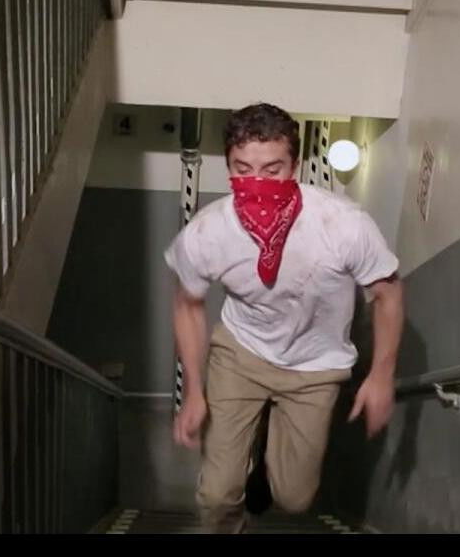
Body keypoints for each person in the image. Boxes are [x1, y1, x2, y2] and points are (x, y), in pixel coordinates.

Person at [164, 102, 404, 533]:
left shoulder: (342, 223)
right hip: (242, 354)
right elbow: (187, 304)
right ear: (228, 168)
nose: (256, 181)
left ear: (294, 168)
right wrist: (195, 392)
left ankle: (261, 448)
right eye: (242, 169)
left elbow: (387, 294)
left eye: (271, 170)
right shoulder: (208, 231)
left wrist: (382, 375)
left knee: (294, 498)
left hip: (316, 367)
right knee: (218, 495)